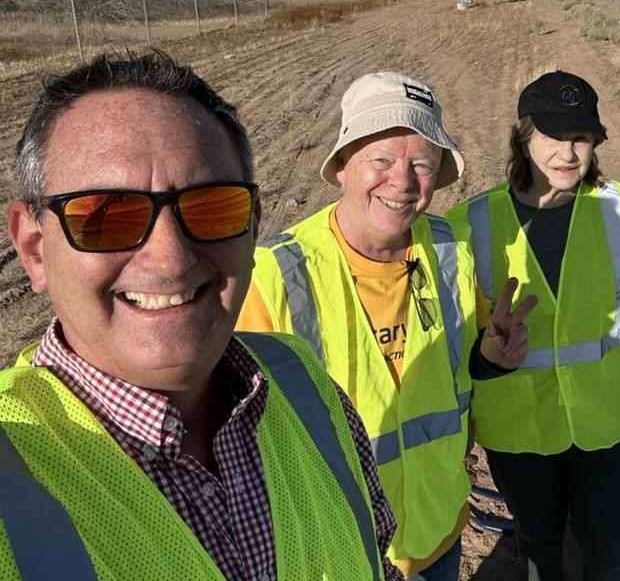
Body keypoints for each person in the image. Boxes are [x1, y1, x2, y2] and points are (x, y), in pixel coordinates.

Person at [2, 50, 402, 580]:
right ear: (34, 250)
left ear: (253, 228)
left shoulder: (302, 383)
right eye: (108, 215)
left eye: (211, 207)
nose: (170, 259)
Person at [237, 70, 534, 580]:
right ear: (343, 165)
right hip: (342, 553)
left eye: (423, 163)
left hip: (439, 529)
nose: (403, 182)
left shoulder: (450, 252)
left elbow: (459, 373)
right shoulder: (274, 278)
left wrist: (491, 358)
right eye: (381, 160)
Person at [446, 70, 620, 581]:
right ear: (523, 138)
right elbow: (455, 344)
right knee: (538, 546)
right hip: (518, 432)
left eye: (582, 138)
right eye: (553, 135)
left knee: (610, 551)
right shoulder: (470, 224)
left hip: (612, 421)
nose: (568, 153)